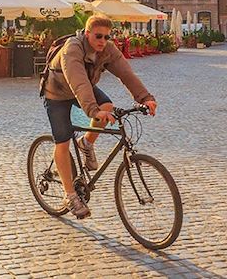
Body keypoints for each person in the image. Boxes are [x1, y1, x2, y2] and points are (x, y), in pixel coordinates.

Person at [42, 14, 157, 219]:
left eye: (106, 37)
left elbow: (126, 73)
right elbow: (79, 81)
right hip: (57, 91)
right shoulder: (73, 48)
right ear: (87, 34)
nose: (103, 41)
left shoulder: (107, 49)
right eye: (98, 36)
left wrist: (145, 98)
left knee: (107, 106)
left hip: (82, 87)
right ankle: (70, 196)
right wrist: (93, 111)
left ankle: (86, 143)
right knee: (63, 140)